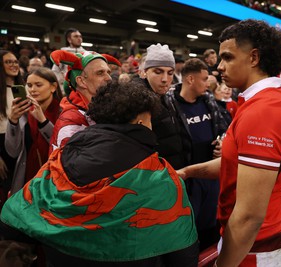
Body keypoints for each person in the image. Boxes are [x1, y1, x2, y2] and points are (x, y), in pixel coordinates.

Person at [0, 81, 198, 267]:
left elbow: (12, 223)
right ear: (140, 122)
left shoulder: (58, 161)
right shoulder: (159, 175)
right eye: (150, 120)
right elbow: (183, 255)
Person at [178, 19, 281, 266]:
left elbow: (248, 216)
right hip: (259, 239)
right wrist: (189, 172)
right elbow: (237, 164)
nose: (219, 67)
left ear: (253, 58)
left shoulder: (263, 112)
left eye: (228, 58)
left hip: (256, 245)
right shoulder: (270, 102)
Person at [166, 58, 229, 250]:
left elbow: (225, 128)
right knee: (189, 229)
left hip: (210, 174)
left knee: (211, 225)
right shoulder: (170, 104)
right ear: (190, 79)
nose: (208, 83)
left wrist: (222, 142)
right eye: (204, 79)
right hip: (186, 177)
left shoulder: (209, 101)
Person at [49, 50, 120, 153]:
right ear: (81, 81)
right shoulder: (72, 122)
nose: (109, 78)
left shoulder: (105, 109)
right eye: (100, 73)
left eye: (108, 72)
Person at [5, 67, 62, 196]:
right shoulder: (25, 113)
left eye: (38, 85)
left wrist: (43, 121)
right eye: (29, 85)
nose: (32, 89)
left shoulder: (64, 112)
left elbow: (62, 146)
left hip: (54, 179)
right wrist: (13, 121)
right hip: (26, 179)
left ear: (53, 87)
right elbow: (12, 150)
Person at [0, 50, 24, 205]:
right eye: (8, 62)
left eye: (15, 61)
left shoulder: (21, 89)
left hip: (20, 142)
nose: (14, 65)